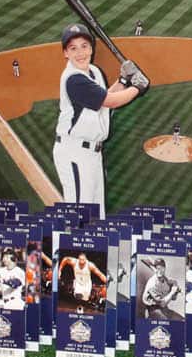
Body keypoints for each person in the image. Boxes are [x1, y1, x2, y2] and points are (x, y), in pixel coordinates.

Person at [52, 23, 147, 217]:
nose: (80, 52)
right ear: (65, 53)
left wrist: (123, 81)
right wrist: (137, 87)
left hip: (92, 154)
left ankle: (92, 248)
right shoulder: (73, 79)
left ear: (92, 49)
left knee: (95, 215)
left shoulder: (93, 72)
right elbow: (110, 101)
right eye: (73, 48)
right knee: (78, 216)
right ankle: (67, 248)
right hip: (75, 153)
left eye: (84, 46)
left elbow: (102, 98)